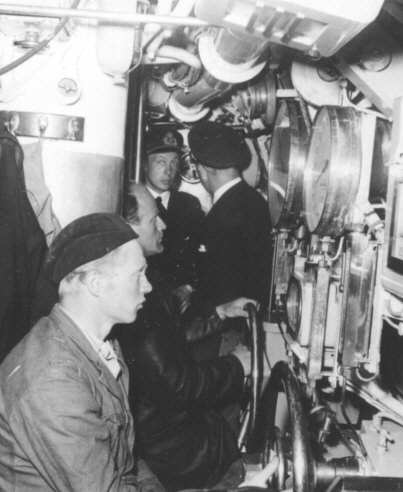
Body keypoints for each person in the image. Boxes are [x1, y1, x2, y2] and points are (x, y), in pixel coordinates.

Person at [0, 213, 164, 492]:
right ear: (95, 284)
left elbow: (128, 464)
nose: (147, 286)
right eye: (138, 274)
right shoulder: (53, 381)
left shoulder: (101, 343)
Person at [116, 184, 259, 491]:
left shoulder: (139, 282)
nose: (163, 225)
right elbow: (179, 385)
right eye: (153, 220)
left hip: (158, 434)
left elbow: (164, 339)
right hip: (174, 451)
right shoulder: (140, 294)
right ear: (128, 229)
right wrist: (236, 365)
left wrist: (219, 313)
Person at [188, 121, 273, 358]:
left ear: (203, 170)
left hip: (221, 338)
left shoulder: (226, 213)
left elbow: (219, 286)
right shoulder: (252, 201)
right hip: (237, 329)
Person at [143, 127, 205, 313]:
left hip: (185, 306)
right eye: (160, 162)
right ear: (144, 165)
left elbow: (200, 255)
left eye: (174, 163)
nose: (168, 171)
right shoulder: (133, 203)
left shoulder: (189, 204)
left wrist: (188, 287)